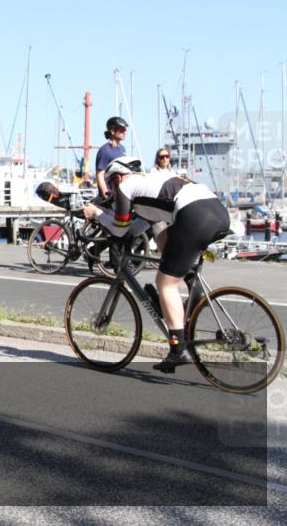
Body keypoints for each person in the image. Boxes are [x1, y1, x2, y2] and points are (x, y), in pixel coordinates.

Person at [85, 156, 230, 373]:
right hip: (217, 212)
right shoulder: (150, 183)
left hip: (194, 215)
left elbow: (120, 228)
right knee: (167, 246)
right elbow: (139, 228)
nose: (113, 193)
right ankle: (190, 288)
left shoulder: (126, 185)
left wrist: (97, 215)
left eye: (111, 186)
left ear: (117, 178)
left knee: (166, 284)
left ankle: (178, 349)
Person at [94, 116, 128, 197]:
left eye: (125, 130)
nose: (125, 132)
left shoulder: (122, 149)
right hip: (110, 195)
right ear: (112, 131)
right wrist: (106, 194)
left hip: (121, 193)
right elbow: (100, 175)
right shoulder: (105, 150)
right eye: (122, 130)